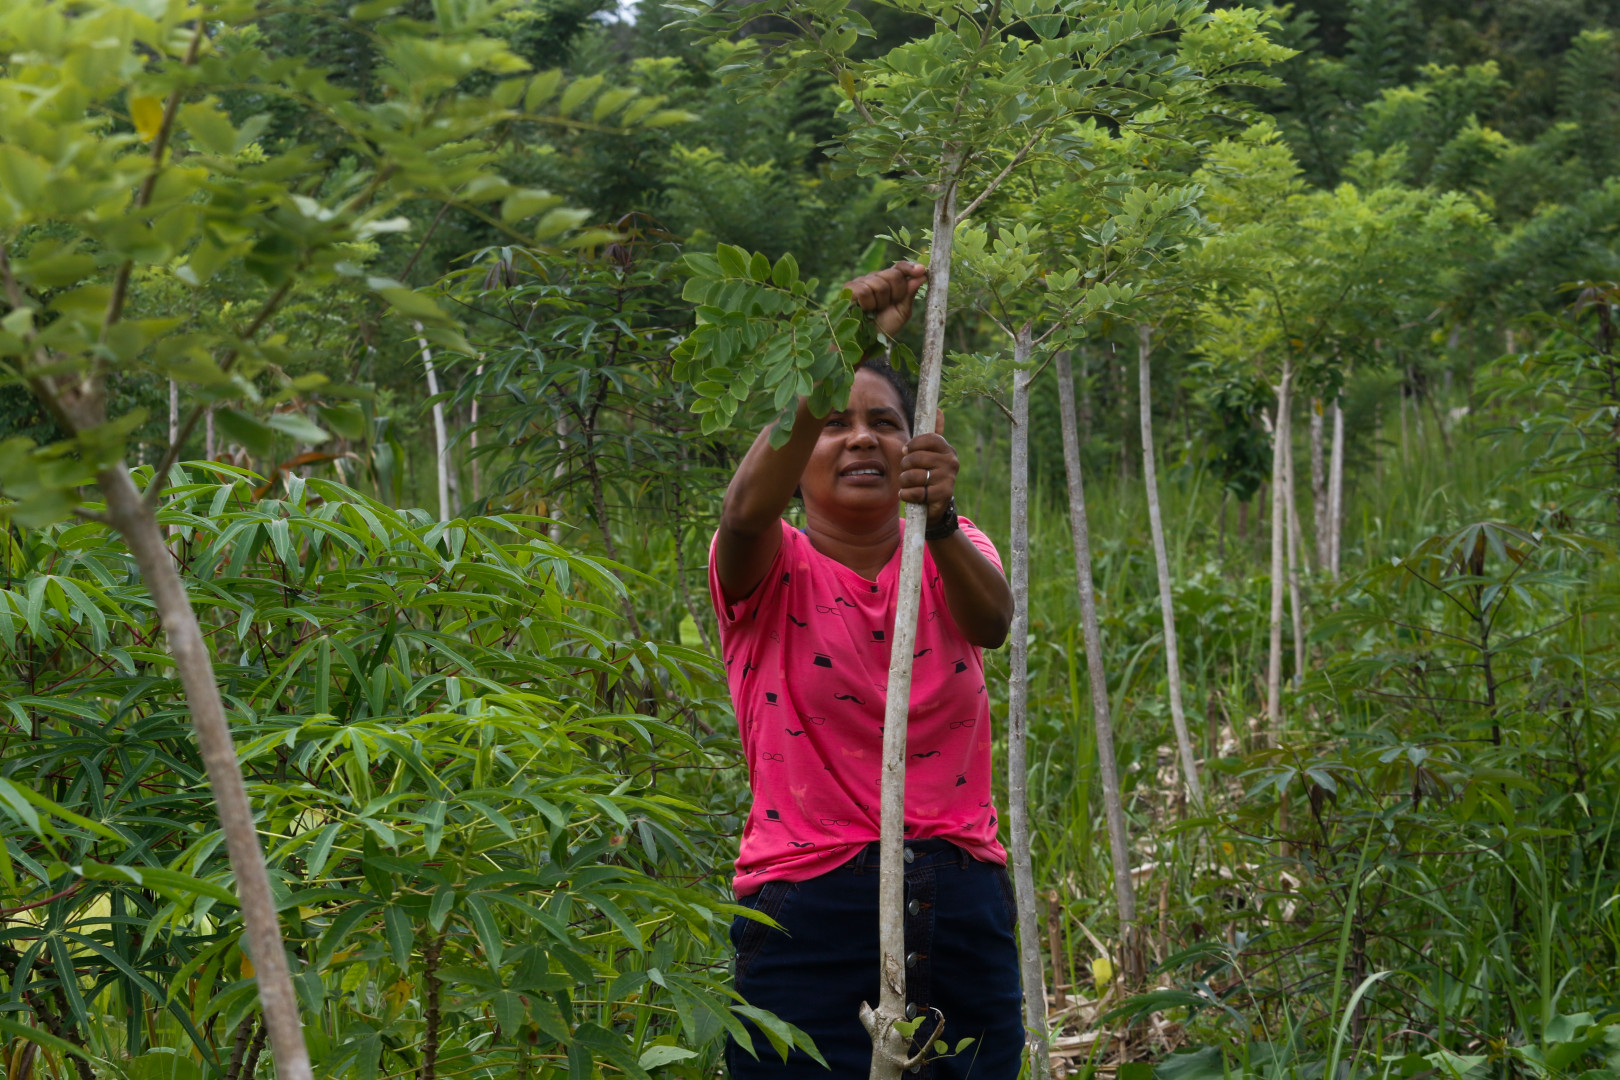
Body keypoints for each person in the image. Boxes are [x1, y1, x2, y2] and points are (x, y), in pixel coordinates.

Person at [708, 261, 1024, 1078]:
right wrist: (833, 340)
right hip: (809, 901)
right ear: (795, 453)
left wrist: (939, 522)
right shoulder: (770, 568)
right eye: (832, 424)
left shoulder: (954, 548)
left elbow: (992, 623)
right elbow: (743, 511)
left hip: (958, 894)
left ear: (920, 443)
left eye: (885, 423)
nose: (860, 439)